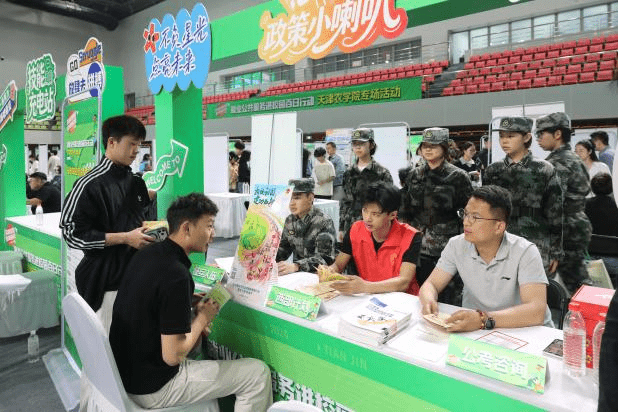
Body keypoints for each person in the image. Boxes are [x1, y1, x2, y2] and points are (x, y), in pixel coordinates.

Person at [110, 193, 272, 411]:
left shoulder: (148, 254)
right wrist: (203, 318)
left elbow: (152, 303)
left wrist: (187, 303)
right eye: (209, 226)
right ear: (186, 228)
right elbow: (173, 356)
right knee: (257, 374)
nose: (213, 234)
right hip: (154, 387)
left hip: (124, 376)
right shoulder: (176, 275)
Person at [60, 115, 155, 331]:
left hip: (138, 278)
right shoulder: (89, 184)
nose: (136, 151)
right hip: (105, 283)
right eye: (131, 144)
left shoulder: (137, 183)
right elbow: (71, 233)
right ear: (111, 142)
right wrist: (125, 238)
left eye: (139, 145)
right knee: (107, 345)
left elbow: (143, 222)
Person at [419, 185, 553, 332]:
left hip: (524, 331)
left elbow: (536, 311)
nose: (466, 222)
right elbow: (431, 284)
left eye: (475, 217)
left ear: (499, 227)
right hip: (476, 330)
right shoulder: (457, 245)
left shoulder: (525, 252)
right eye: (465, 214)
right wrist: (428, 300)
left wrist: (482, 319)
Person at [484, 116, 563, 278]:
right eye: (501, 136)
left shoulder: (544, 170)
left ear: (526, 137)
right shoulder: (493, 171)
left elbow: (555, 213)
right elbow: (486, 211)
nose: (504, 141)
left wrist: (555, 251)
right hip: (500, 245)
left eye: (511, 136)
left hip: (536, 245)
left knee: (534, 288)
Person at [399, 127, 472, 297]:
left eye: (434, 146)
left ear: (444, 147)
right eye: (425, 146)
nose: (428, 149)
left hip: (446, 247)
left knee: (447, 296)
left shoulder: (458, 176)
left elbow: (468, 212)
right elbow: (405, 209)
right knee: (415, 294)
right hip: (417, 245)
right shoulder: (414, 175)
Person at [326, 182, 422, 295]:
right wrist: (330, 271)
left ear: (392, 215)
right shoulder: (355, 230)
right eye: (365, 210)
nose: (367, 218)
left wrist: (364, 287)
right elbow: (338, 265)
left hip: (402, 299)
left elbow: (403, 282)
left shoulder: (410, 236)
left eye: (375, 214)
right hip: (368, 296)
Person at [536, 112, 592, 294]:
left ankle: (593, 310)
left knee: (577, 285)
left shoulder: (558, 163)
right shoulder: (572, 158)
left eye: (541, 133)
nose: (538, 138)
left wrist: (555, 247)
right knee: (577, 281)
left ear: (557, 134)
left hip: (565, 229)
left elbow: (554, 205)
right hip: (575, 224)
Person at [340, 128, 393, 241]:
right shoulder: (348, 173)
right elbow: (345, 201)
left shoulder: (381, 173)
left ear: (371, 145)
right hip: (351, 225)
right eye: (355, 144)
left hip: (373, 226)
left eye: (362, 143)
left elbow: (389, 203)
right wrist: (341, 227)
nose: (358, 147)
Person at [276, 178, 337, 275]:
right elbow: (283, 250)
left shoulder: (323, 222)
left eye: (297, 198)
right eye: (289, 198)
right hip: (297, 275)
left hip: (319, 276)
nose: (291, 203)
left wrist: (297, 266)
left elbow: (325, 258)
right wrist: (264, 254)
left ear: (310, 198)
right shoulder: (290, 220)